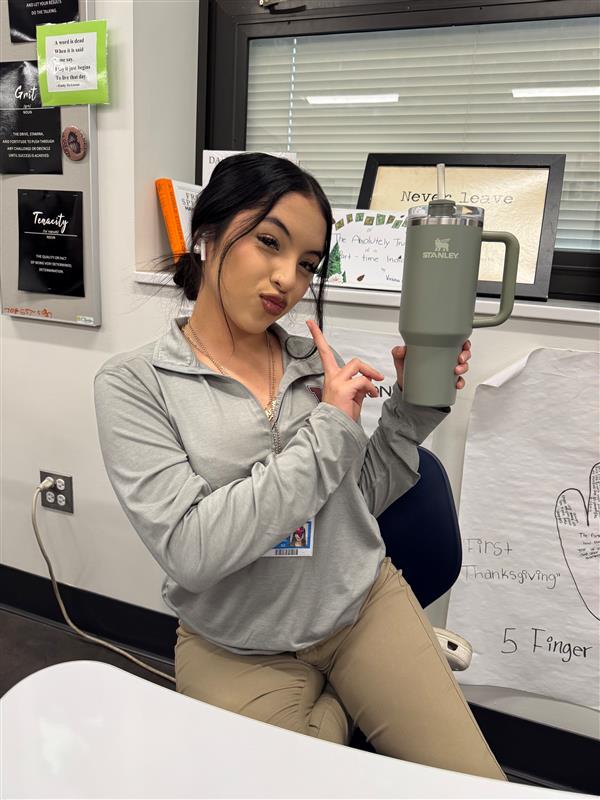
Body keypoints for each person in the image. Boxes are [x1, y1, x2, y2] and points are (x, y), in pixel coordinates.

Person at [94, 152, 507, 781]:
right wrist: (329, 430)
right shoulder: (134, 385)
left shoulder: (312, 361)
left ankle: (339, 701)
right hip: (239, 645)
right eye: (269, 242)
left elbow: (359, 496)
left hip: (360, 607)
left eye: (308, 263)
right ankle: (337, 709)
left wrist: (410, 410)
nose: (287, 278)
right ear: (207, 235)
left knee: (476, 786)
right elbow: (192, 550)